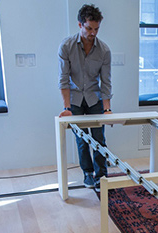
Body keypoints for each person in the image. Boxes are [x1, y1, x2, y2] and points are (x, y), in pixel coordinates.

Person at [58, 4, 112, 192]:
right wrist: (67, 108)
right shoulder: (66, 46)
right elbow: (63, 80)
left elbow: (106, 82)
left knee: (99, 138)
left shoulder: (104, 50)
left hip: (94, 98)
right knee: (82, 139)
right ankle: (87, 173)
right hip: (74, 100)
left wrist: (107, 109)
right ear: (80, 24)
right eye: (89, 28)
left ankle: (102, 175)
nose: (93, 33)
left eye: (96, 29)